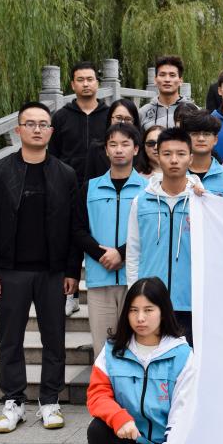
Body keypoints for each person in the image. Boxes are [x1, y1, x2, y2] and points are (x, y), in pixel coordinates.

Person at [0, 101, 82, 433]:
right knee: (10, 339)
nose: (37, 129)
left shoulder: (65, 174)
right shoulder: (0, 171)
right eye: (30, 123)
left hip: (53, 272)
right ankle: (14, 401)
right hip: (10, 272)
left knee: (54, 338)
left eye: (43, 124)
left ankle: (50, 401)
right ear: (18, 130)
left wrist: (72, 271)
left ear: (51, 131)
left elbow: (75, 227)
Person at [86, 277, 194, 444]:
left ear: (163, 311)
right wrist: (120, 418)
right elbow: (97, 394)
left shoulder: (182, 355)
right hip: (130, 441)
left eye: (148, 310)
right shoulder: (113, 351)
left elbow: (184, 411)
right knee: (97, 430)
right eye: (133, 310)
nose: (140, 318)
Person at [75, 122, 146, 353]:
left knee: (137, 348)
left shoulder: (148, 189)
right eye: (113, 144)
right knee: (103, 350)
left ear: (136, 149)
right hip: (100, 278)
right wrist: (103, 255)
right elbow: (78, 229)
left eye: (125, 144)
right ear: (106, 150)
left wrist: (121, 254)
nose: (119, 150)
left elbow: (150, 231)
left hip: (135, 279)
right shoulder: (90, 188)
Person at [126, 128, 196, 341]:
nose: (174, 160)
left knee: (188, 359)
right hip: (150, 302)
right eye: (167, 154)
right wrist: (135, 295)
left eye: (181, 154)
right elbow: (133, 252)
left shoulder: (202, 202)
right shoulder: (141, 201)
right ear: (157, 156)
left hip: (190, 302)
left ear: (191, 158)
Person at [50, 61, 110, 185]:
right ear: (73, 85)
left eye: (90, 79)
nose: (85, 84)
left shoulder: (110, 115)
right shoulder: (61, 116)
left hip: (104, 181)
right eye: (80, 80)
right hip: (68, 182)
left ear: (97, 83)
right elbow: (53, 153)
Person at [85, 99, 141, 181]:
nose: (122, 122)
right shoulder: (96, 148)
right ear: (110, 119)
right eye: (118, 118)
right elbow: (89, 181)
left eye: (128, 119)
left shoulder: (142, 149)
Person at [185, 111, 223, 196]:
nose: (201, 139)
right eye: (195, 134)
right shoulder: (175, 173)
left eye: (206, 134)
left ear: (215, 139)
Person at [139, 56, 197, 129]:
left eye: (172, 75)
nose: (167, 79)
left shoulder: (194, 111)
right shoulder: (143, 113)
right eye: (162, 75)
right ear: (155, 80)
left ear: (180, 81)